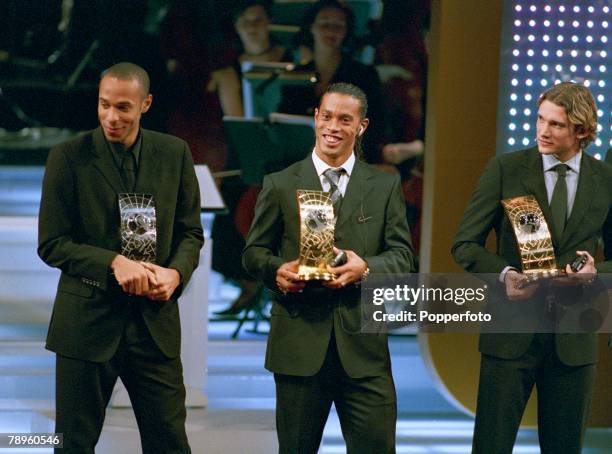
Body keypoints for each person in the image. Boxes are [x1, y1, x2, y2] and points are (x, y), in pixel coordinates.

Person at [38, 62, 203, 453]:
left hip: (154, 325)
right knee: (73, 443)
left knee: (170, 442)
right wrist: (113, 262)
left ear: (145, 104)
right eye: (104, 105)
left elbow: (190, 233)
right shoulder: (68, 157)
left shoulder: (174, 152)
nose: (111, 117)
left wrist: (176, 274)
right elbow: (52, 243)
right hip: (87, 324)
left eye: (123, 107)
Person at [243, 82, 415, 453]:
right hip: (299, 346)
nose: (333, 126)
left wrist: (365, 266)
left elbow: (403, 256)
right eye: (327, 116)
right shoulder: (280, 183)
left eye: (345, 119)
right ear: (315, 118)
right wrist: (277, 271)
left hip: (364, 352)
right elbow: (253, 252)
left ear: (362, 126)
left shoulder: (385, 186)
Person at [452, 82, 612, 453]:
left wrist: (596, 275)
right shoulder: (506, 169)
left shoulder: (605, 180)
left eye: (555, 124)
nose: (542, 130)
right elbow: (464, 244)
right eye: (540, 119)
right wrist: (505, 274)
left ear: (582, 131)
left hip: (574, 337)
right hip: (511, 331)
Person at [210, 0, 293, 316]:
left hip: (286, 145)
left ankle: (279, 282)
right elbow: (239, 121)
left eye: (258, 20)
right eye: (245, 21)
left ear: (268, 22)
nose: (252, 27)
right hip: (248, 149)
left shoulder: (294, 61)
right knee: (231, 203)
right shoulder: (229, 71)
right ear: (236, 27)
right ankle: (249, 284)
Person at [277, 0, 384, 163]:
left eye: (338, 25)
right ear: (311, 28)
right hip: (301, 163)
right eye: (324, 23)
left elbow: (374, 128)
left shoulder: (364, 75)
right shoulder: (295, 74)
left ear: (346, 31)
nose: (331, 30)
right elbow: (285, 125)